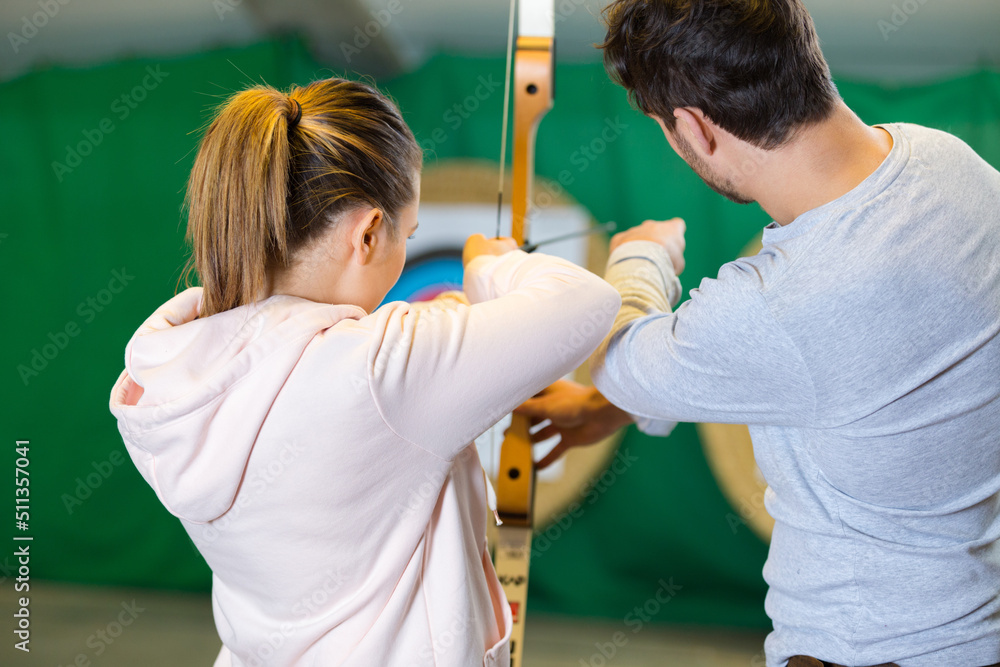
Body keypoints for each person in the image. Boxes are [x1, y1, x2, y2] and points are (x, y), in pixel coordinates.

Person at [516, 1, 1000, 666]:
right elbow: (864, 365)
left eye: (666, 127)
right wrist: (611, 409)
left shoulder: (779, 301)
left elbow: (621, 357)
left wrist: (640, 257)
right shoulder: (955, 166)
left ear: (694, 128)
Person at [108, 77, 621, 667]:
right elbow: (586, 304)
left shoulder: (164, 375)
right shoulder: (378, 369)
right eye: (408, 235)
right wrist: (492, 268)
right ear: (369, 232)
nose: (405, 249)